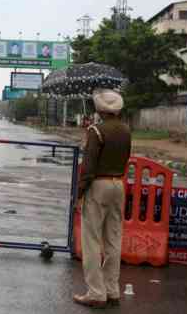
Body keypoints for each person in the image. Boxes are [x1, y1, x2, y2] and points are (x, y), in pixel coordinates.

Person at [74, 89, 131, 309]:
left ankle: (96, 293)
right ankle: (112, 290)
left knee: (91, 240)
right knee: (113, 240)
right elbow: (125, 158)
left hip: (98, 185)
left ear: (99, 109)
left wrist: (79, 193)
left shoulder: (95, 131)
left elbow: (88, 168)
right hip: (118, 184)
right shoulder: (126, 130)